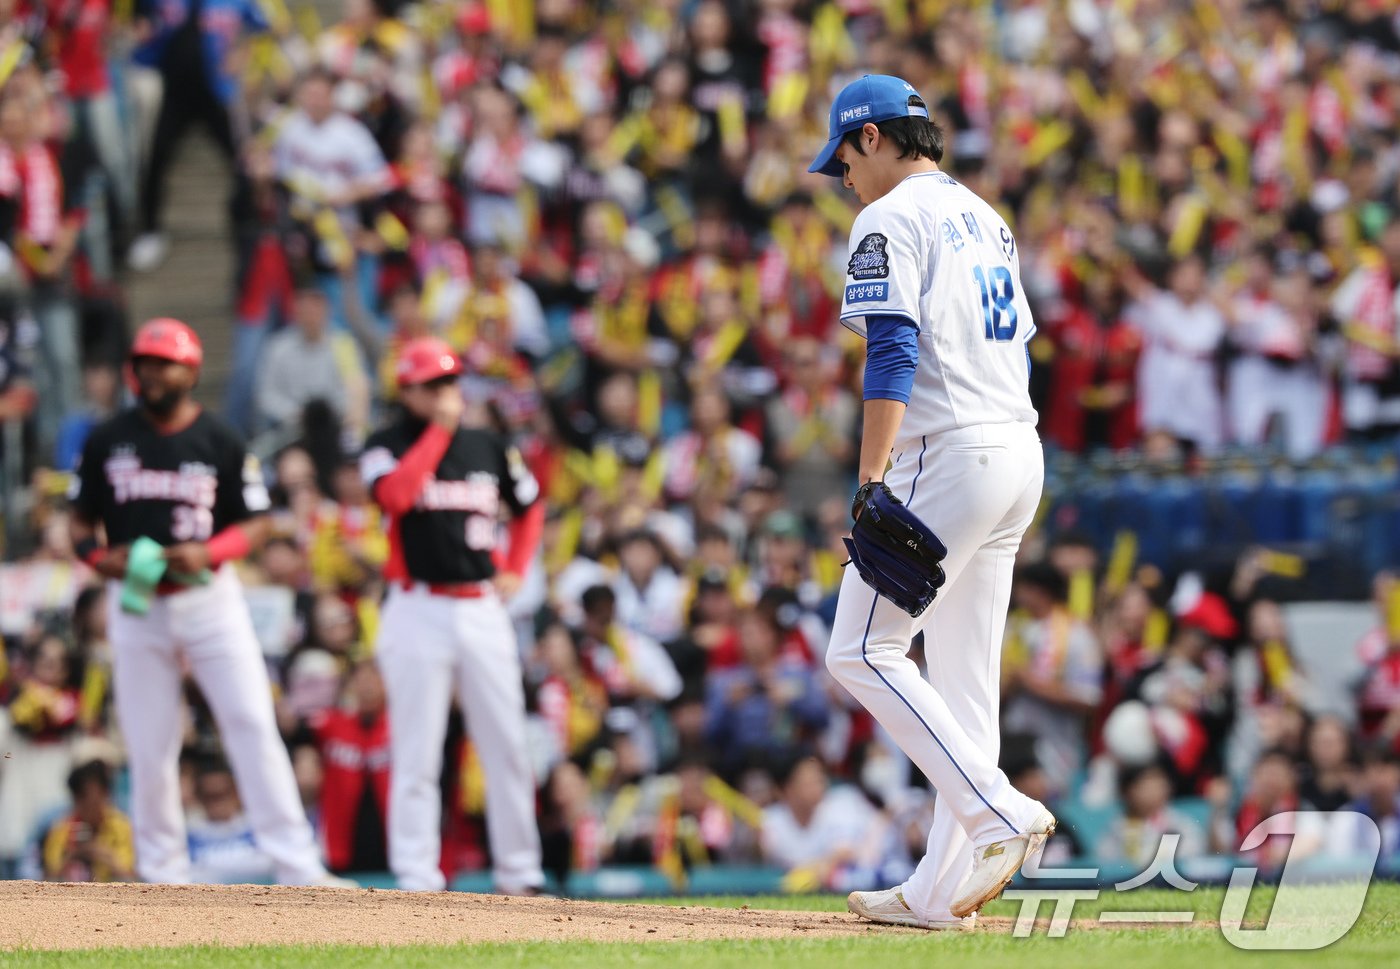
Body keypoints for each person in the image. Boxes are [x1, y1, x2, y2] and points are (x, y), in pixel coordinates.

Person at [808, 75, 1054, 930]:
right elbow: (1019, 340)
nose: (841, 175)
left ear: (871, 137)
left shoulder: (887, 217)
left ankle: (999, 809)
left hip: (947, 454)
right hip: (1016, 448)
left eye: (842, 155)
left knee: (859, 649)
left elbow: (892, 349)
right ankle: (939, 892)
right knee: (962, 679)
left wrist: (871, 475)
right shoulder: (987, 215)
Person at [66, 317, 353, 888]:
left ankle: (297, 865)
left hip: (208, 598)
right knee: (150, 744)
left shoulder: (219, 440)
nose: (153, 373)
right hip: (139, 599)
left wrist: (211, 551)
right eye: (145, 362)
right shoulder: (108, 439)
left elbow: (257, 523)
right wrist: (101, 561)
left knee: (250, 721)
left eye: (165, 363)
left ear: (191, 371)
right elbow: (78, 522)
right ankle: (163, 872)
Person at [359, 336, 545, 894]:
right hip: (417, 607)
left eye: (450, 381)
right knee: (418, 747)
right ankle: (417, 875)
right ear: (407, 391)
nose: (446, 393)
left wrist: (516, 564)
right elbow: (394, 497)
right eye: (432, 384)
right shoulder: (385, 443)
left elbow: (531, 505)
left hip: (480, 606)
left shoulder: (489, 444)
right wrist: (438, 432)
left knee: (507, 741)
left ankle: (520, 871)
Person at [42, 760, 135, 883]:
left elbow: (131, 878)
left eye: (95, 801)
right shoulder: (61, 829)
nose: (90, 807)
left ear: (105, 794)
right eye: (83, 800)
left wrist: (105, 856)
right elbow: (49, 879)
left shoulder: (121, 827)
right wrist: (74, 855)